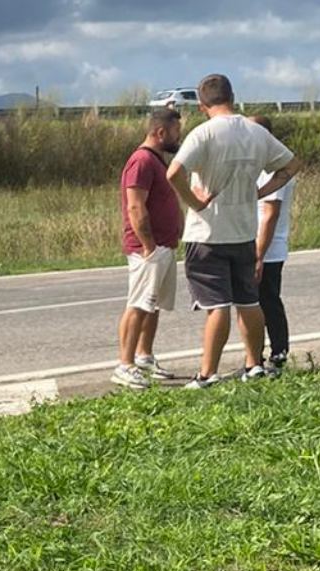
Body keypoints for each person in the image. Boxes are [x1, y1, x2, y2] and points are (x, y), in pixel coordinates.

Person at [166, 74, 303, 388]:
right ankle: (254, 363)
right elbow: (292, 165)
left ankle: (207, 373)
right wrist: (262, 190)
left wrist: (194, 201)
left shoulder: (204, 133)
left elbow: (174, 173)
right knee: (248, 301)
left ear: (203, 105)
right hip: (244, 231)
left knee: (216, 306)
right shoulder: (256, 132)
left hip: (208, 232)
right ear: (232, 96)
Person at [112, 109, 184, 389]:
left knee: (152, 305)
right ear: (161, 132)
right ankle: (125, 364)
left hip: (163, 245)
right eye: (176, 131)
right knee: (139, 304)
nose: (179, 137)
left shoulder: (157, 160)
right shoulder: (141, 161)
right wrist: (148, 245)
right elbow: (134, 205)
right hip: (149, 249)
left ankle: (143, 357)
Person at [249, 115, 295, 368]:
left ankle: (277, 353)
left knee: (266, 301)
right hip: (258, 244)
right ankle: (256, 356)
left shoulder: (273, 167)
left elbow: (270, 213)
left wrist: (258, 255)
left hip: (267, 247)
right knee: (257, 302)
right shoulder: (260, 164)